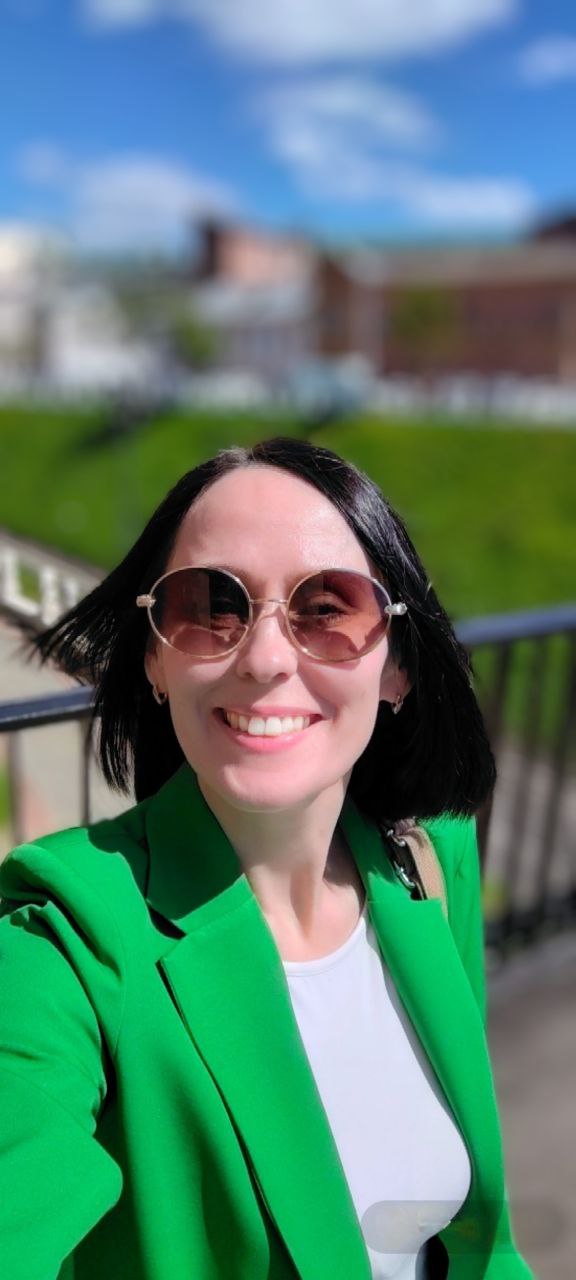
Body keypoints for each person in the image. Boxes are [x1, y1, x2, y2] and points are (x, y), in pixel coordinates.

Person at [0, 435, 533, 1280]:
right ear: (155, 658)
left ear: (397, 665)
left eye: (327, 608)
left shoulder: (430, 864)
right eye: (211, 606)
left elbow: (479, 1250)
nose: (266, 657)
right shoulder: (65, 942)